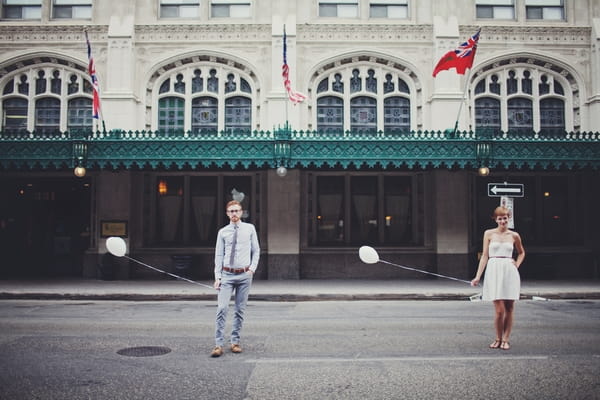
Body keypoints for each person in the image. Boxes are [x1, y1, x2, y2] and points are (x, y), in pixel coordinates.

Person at [471, 206, 525, 351]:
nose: (502, 221)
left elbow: (521, 252)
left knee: (509, 307)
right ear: (495, 219)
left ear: (509, 218)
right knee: (499, 310)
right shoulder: (489, 233)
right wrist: (477, 276)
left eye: (505, 218)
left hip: (509, 269)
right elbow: (484, 256)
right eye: (500, 218)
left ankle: (506, 339)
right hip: (494, 269)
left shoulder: (514, 236)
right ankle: (497, 338)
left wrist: (516, 264)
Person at [210, 200, 260, 357]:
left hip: (245, 275)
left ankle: (235, 342)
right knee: (222, 309)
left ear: (241, 212)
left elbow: (256, 250)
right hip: (227, 275)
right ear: (227, 213)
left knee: (239, 310)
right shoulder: (222, 232)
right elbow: (218, 255)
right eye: (231, 211)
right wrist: (217, 277)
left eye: (236, 211)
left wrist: (252, 269)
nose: (234, 214)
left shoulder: (250, 229)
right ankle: (218, 345)